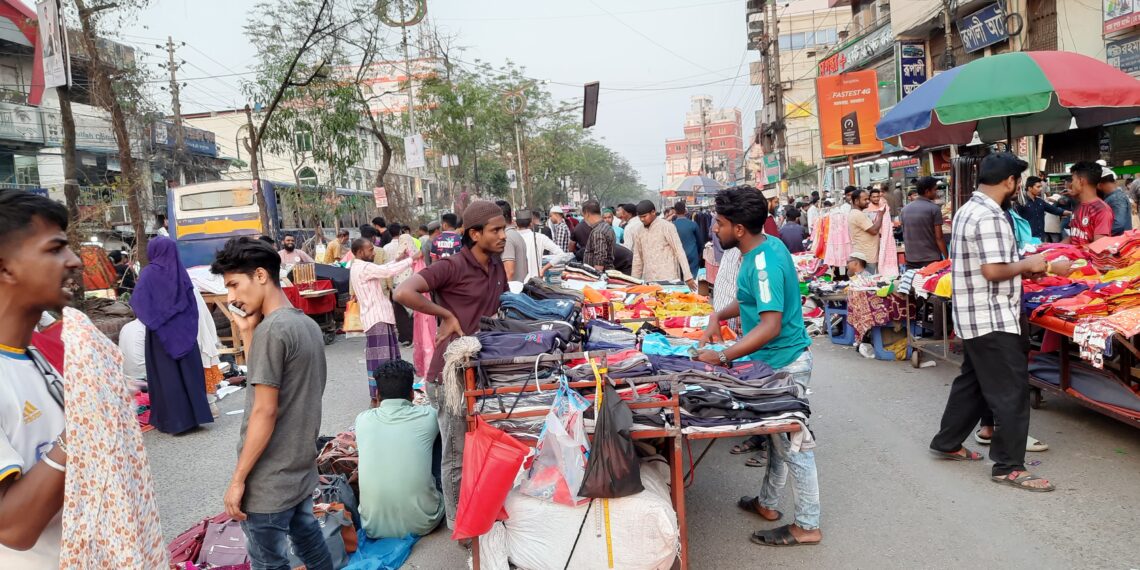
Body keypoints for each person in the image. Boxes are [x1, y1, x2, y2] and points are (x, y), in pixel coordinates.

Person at [928, 153, 1069, 493]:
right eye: (1018, 182)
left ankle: (947, 442)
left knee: (973, 383)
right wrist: (1035, 264)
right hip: (992, 315)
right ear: (1010, 182)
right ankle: (1008, 466)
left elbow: (992, 264)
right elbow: (993, 270)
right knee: (1011, 392)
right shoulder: (990, 215)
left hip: (975, 314)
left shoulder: (967, 209)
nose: (1018, 188)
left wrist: (1025, 267)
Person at [693, 186, 820, 547]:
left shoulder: (763, 263)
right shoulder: (762, 247)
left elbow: (770, 325)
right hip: (772, 362)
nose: (714, 229)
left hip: (785, 364)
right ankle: (767, 503)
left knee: (794, 446)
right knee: (777, 439)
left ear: (739, 229)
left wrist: (723, 356)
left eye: (719, 223)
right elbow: (750, 300)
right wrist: (718, 314)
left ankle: (808, 525)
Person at [210, 237, 334, 569]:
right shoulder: (305, 324)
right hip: (299, 470)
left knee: (269, 562)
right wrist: (248, 330)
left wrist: (238, 480)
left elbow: (264, 410)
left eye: (234, 285)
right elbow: (264, 380)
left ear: (261, 275)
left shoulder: (273, 332)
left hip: (269, 481)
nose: (231, 297)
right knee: (310, 543)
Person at [393, 200, 508, 531]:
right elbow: (403, 292)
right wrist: (444, 314)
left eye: (504, 229)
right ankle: (461, 528)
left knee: (483, 448)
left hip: (481, 371)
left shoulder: (496, 265)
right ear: (474, 234)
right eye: (496, 230)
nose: (503, 235)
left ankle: (482, 513)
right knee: (456, 456)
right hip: (449, 378)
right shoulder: (452, 266)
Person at [0, 190, 81, 566]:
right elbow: (12, 529)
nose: (74, 261)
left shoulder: (36, 356)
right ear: (5, 269)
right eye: (55, 249)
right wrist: (83, 425)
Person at [130, 237, 213, 435]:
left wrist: (157, 320)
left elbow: (138, 302)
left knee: (167, 377)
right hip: (184, 332)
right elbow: (191, 303)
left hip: (160, 336)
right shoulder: (179, 272)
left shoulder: (148, 273)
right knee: (190, 375)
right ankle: (195, 418)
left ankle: (175, 423)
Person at [355, 360, 443, 539]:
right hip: (424, 521)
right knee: (440, 433)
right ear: (412, 393)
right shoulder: (430, 416)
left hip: (372, 525)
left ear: (377, 394)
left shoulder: (362, 420)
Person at [350, 238, 414, 407]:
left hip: (379, 318)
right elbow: (386, 271)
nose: (373, 252)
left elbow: (383, 268)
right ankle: (381, 397)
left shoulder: (359, 266)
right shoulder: (363, 267)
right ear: (359, 252)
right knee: (383, 361)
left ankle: (384, 395)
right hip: (377, 319)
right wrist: (411, 259)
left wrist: (398, 259)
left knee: (384, 359)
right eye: (370, 249)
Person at [631, 200, 697, 290]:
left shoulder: (667, 226)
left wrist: (688, 276)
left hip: (669, 278)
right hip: (649, 279)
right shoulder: (639, 231)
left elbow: (679, 251)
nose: (642, 219)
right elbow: (637, 258)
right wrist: (634, 282)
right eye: (640, 217)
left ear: (653, 212)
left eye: (644, 216)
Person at [901, 176, 948, 268]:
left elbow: (905, 233)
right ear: (927, 191)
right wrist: (947, 257)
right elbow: (939, 237)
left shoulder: (905, 210)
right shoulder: (934, 209)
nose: (936, 192)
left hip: (911, 259)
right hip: (931, 259)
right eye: (935, 190)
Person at [1064, 161, 1112, 247]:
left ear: (1081, 181)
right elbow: (1073, 237)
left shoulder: (1101, 210)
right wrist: (1052, 248)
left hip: (1084, 256)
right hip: (1073, 255)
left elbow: (1098, 246)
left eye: (1073, 180)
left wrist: (1070, 250)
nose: (1071, 184)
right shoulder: (1079, 206)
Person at [515, 209, 564, 281]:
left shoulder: (511, 239)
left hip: (516, 283)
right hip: (536, 282)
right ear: (531, 223)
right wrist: (543, 269)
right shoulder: (540, 237)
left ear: (516, 224)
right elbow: (561, 254)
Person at [1016, 176, 1067, 241]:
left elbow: (1055, 210)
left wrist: (1072, 213)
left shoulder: (1040, 201)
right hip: (1028, 239)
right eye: (1038, 187)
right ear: (1030, 188)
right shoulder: (1022, 203)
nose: (1041, 189)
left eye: (1041, 187)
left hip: (1041, 238)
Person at [847, 189, 881, 274]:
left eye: (868, 199)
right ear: (856, 201)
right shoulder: (857, 214)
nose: (868, 201)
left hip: (867, 255)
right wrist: (881, 216)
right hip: (865, 257)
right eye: (865, 199)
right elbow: (874, 231)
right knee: (867, 280)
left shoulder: (859, 213)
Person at [498, 200, 530, 283]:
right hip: (519, 286)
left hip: (511, 289)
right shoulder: (516, 235)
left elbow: (509, 272)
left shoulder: (506, 238)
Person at [580, 200, 617, 272]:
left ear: (587, 214)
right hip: (608, 271)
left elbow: (600, 260)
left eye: (583, 216)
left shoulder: (598, 231)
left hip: (601, 274)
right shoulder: (606, 226)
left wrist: (596, 275)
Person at [1098, 165, 1132, 236]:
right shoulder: (1112, 197)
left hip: (1118, 240)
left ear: (1100, 185)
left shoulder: (1117, 198)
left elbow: (1118, 224)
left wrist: (1099, 234)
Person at [672, 201, 702, 277]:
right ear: (685, 211)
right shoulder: (693, 224)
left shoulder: (671, 226)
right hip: (692, 254)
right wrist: (699, 253)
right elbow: (700, 242)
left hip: (678, 256)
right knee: (692, 278)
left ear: (675, 211)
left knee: (679, 278)